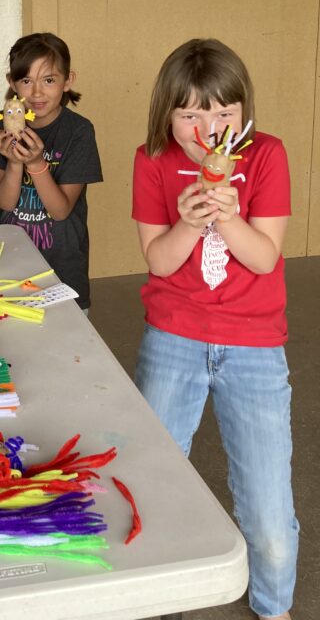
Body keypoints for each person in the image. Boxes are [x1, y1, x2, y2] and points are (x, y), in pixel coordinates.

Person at [132, 38, 298, 620]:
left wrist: (228, 216)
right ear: (166, 112)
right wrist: (186, 220)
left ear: (243, 113)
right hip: (174, 334)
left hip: (254, 343)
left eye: (224, 113)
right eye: (191, 114)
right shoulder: (151, 160)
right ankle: (156, 599)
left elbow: (263, 258)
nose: (209, 128)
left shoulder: (268, 155)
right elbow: (158, 260)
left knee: (268, 512)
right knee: (152, 481)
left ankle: (274, 608)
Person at [0, 32, 102, 310]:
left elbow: (61, 210)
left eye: (49, 80)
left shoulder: (78, 132)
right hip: (13, 263)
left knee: (70, 344)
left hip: (63, 264)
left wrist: (35, 163)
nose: (36, 93)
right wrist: (15, 161)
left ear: (68, 81)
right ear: (12, 82)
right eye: (26, 81)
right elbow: (7, 202)